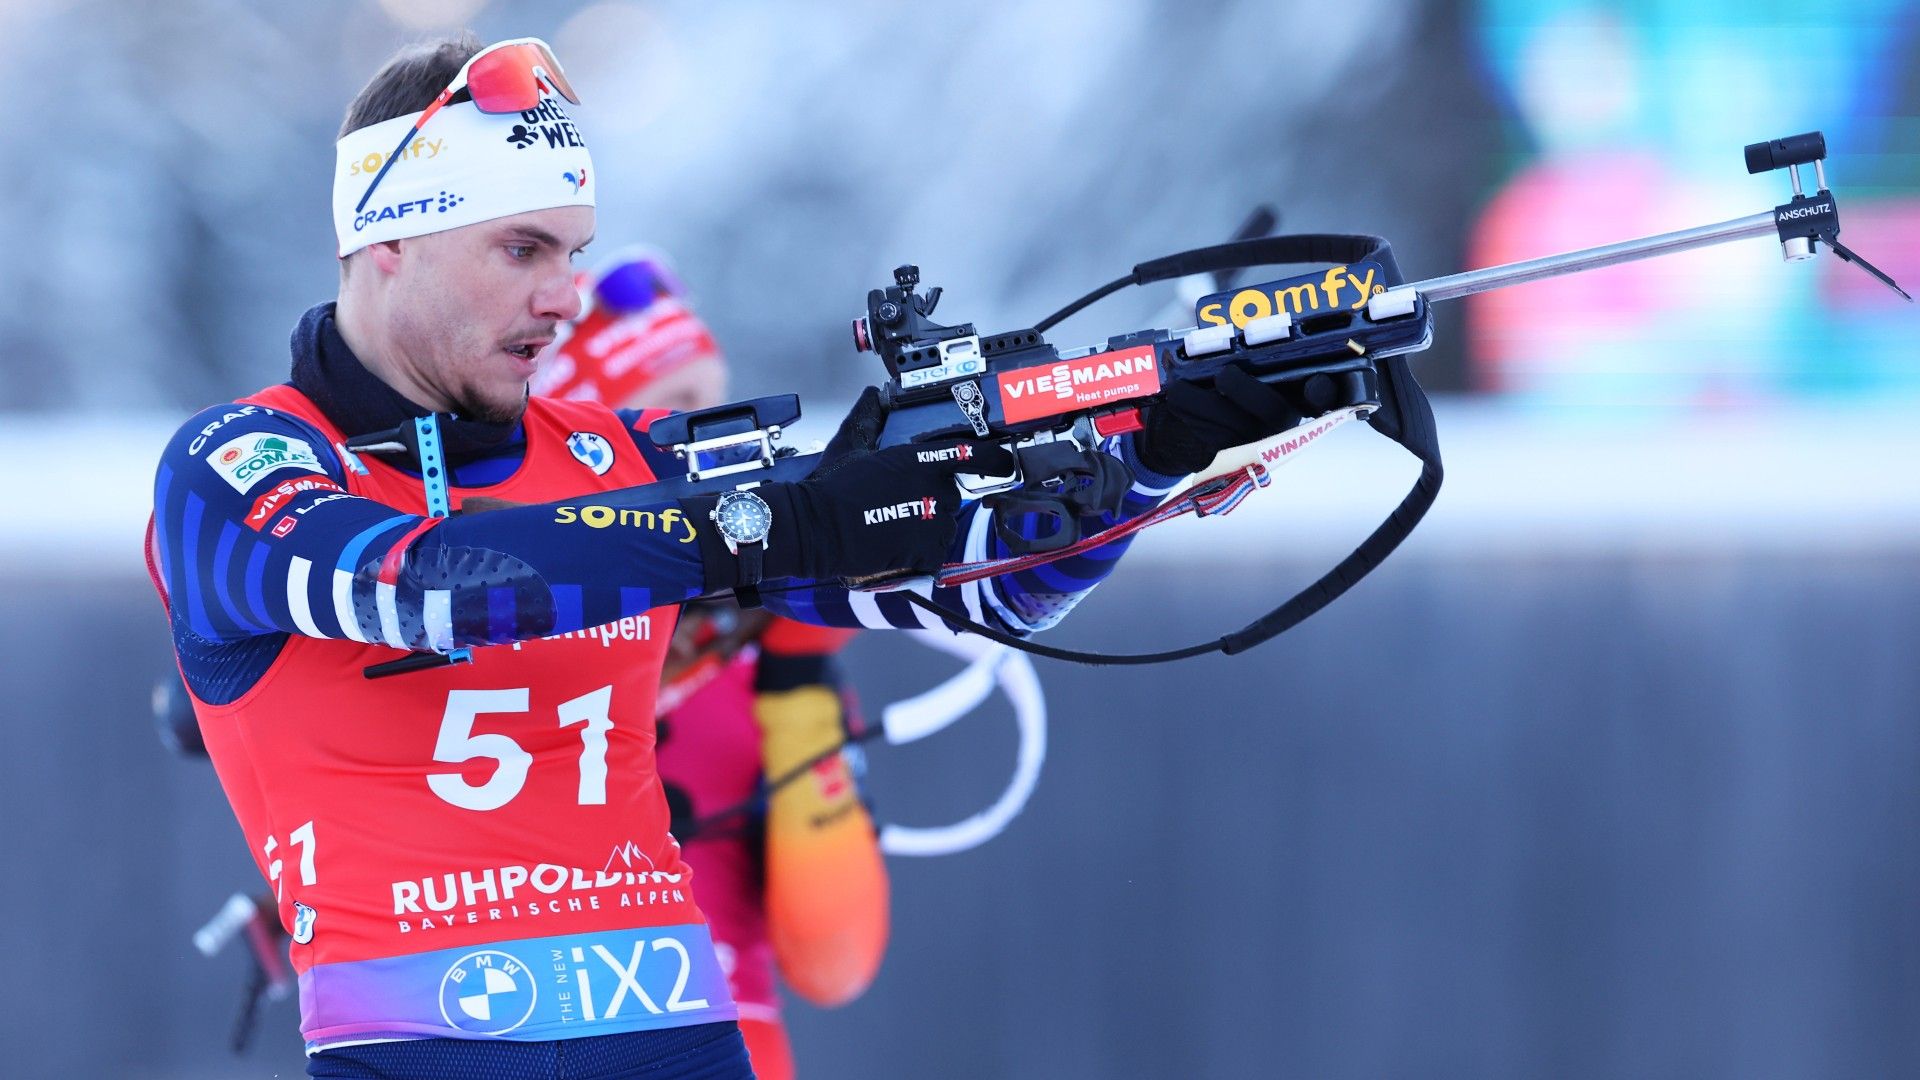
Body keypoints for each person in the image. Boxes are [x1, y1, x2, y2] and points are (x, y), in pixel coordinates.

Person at [147, 32, 1305, 1080]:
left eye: (575, 251)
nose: (564, 299)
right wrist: (768, 523)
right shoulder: (237, 460)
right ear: (387, 238)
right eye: (522, 249)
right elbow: (423, 584)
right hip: (417, 1054)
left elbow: (976, 591)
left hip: (677, 1042)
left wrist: (1151, 451)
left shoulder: (621, 462)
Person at [537, 249, 887, 1080]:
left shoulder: (758, 650)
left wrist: (798, 686)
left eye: (719, 396)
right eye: (679, 405)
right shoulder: (495, 640)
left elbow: (834, 963)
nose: (722, 430)